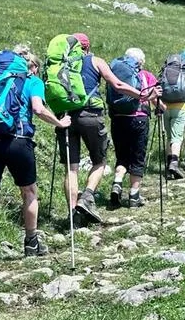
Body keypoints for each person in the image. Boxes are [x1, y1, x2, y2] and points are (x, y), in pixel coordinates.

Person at [0, 46, 69, 281]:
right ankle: (31, 241)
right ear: (30, 66)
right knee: (29, 191)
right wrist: (59, 123)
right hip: (18, 141)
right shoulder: (32, 81)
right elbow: (38, 108)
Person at [59, 33, 144, 225]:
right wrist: (142, 95)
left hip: (64, 117)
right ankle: (87, 197)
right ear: (87, 48)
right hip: (90, 115)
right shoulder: (95, 61)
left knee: (71, 170)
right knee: (100, 161)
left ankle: (73, 216)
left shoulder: (60, 64)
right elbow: (118, 84)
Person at [108, 48, 158, 209]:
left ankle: (117, 183)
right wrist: (161, 107)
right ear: (140, 62)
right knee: (137, 157)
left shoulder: (115, 72)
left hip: (118, 118)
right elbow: (152, 96)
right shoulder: (146, 75)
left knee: (122, 156)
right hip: (139, 118)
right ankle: (134, 195)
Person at [157, 54, 185, 179]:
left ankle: (168, 165)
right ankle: (174, 163)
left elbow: (157, 91)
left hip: (165, 107)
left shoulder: (162, 74)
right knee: (177, 137)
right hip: (180, 108)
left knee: (169, 137)